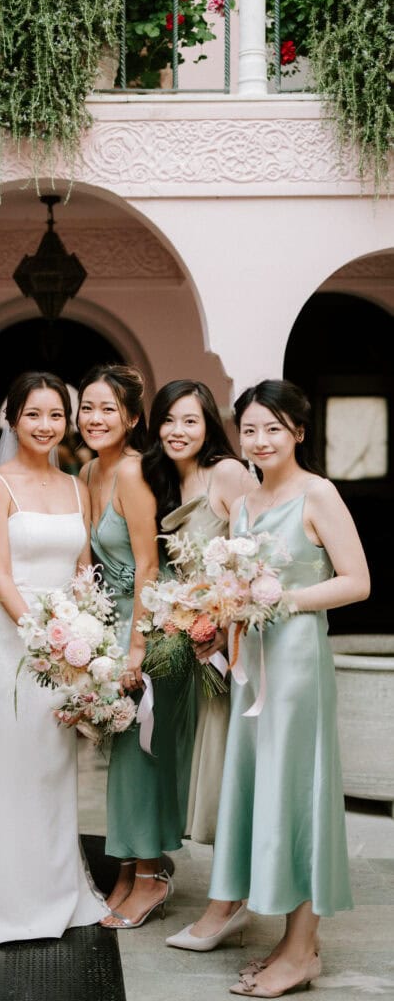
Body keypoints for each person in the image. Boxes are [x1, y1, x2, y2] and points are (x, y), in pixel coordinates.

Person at [174, 380, 370, 999]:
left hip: (297, 669)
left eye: (274, 429)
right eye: (251, 430)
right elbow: (232, 585)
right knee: (266, 795)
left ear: (299, 433)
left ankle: (302, 948)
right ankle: (290, 941)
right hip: (251, 668)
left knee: (298, 793)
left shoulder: (320, 494)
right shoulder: (244, 503)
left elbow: (357, 581)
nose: (260, 441)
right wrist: (218, 621)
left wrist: (281, 600)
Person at [0, 371, 107, 943]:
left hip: (66, 640)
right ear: (12, 418)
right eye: (34, 415)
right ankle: (5, 900)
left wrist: (84, 636)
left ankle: (57, 891)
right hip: (7, 642)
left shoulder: (78, 487)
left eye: (56, 415)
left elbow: (82, 568)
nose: (46, 426)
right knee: (7, 768)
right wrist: (40, 633)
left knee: (53, 768)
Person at [76, 364, 183, 929]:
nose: (95, 419)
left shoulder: (135, 471)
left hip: (143, 627)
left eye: (108, 410)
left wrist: (136, 648)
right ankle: (126, 869)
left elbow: (148, 567)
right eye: (87, 408)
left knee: (140, 758)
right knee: (120, 760)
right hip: (105, 623)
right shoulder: (91, 468)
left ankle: (151, 877)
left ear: (133, 418)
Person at [144, 381, 255, 855]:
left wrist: (226, 623)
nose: (177, 430)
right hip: (192, 640)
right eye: (168, 420)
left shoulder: (226, 473)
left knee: (227, 761)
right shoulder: (165, 479)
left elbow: (254, 557)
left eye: (190, 420)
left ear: (209, 424)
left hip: (227, 643)